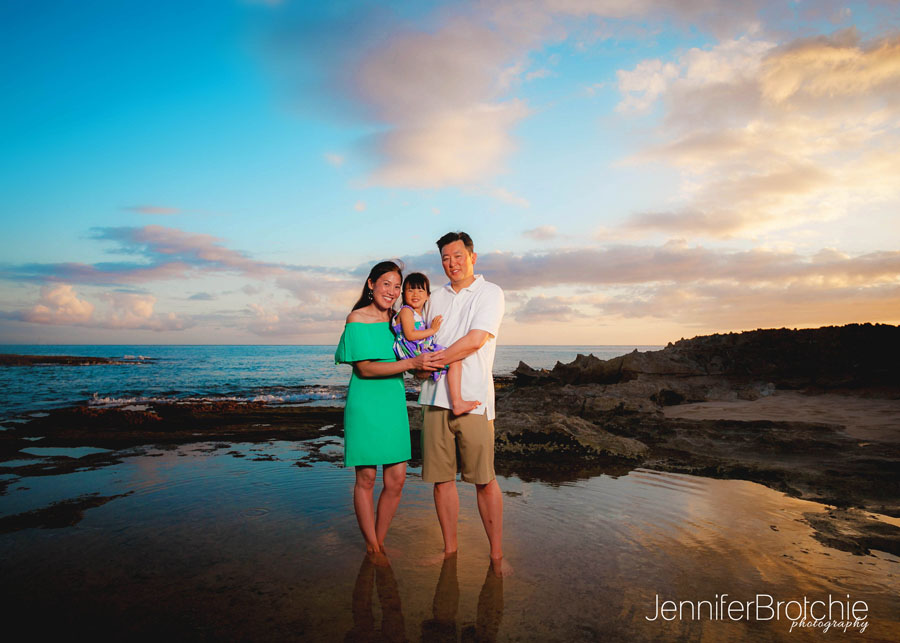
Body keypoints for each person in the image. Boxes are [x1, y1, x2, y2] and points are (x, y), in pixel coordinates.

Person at [335, 260, 444, 562]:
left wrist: (425, 367)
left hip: (393, 403)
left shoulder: (398, 320)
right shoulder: (357, 318)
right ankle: (372, 547)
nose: (392, 291)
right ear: (371, 284)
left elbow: (410, 359)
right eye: (386, 284)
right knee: (367, 479)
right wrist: (412, 364)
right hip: (366, 404)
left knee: (396, 480)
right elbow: (366, 369)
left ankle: (379, 542)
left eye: (397, 286)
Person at [417, 232, 510, 576]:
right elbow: (419, 342)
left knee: (484, 479)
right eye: (445, 258)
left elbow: (475, 340)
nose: (451, 263)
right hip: (434, 398)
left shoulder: (490, 293)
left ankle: (497, 556)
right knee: (442, 480)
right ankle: (449, 550)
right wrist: (417, 366)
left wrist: (434, 361)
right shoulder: (434, 298)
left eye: (457, 255)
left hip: (474, 400)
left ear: (472, 257)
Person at [391, 272, 480, 414]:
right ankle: (457, 402)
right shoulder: (406, 311)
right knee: (455, 360)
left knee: (453, 361)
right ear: (403, 294)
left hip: (417, 349)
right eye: (410, 290)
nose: (415, 294)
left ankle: (453, 397)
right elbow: (410, 335)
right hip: (413, 350)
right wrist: (432, 330)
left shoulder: (419, 314)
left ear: (428, 296)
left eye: (420, 290)